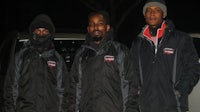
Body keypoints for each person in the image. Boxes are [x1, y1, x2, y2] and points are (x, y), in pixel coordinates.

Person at [130, 0, 200, 112]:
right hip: (146, 106)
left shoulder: (181, 39)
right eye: (148, 10)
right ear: (144, 15)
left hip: (173, 105)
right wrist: (137, 93)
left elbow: (193, 67)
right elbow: (133, 72)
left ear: (164, 14)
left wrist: (181, 89)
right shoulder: (138, 43)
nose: (152, 13)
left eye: (157, 10)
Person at [70, 11, 139, 112]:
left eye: (100, 24)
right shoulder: (81, 55)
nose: (96, 27)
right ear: (88, 29)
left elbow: (131, 85)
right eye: (92, 24)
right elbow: (74, 87)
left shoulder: (120, 51)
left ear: (107, 27)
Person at [3, 14, 72, 112]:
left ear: (50, 34)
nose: (41, 34)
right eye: (38, 31)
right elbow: (11, 89)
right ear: (33, 32)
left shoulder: (57, 60)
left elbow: (64, 93)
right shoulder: (21, 57)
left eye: (44, 31)